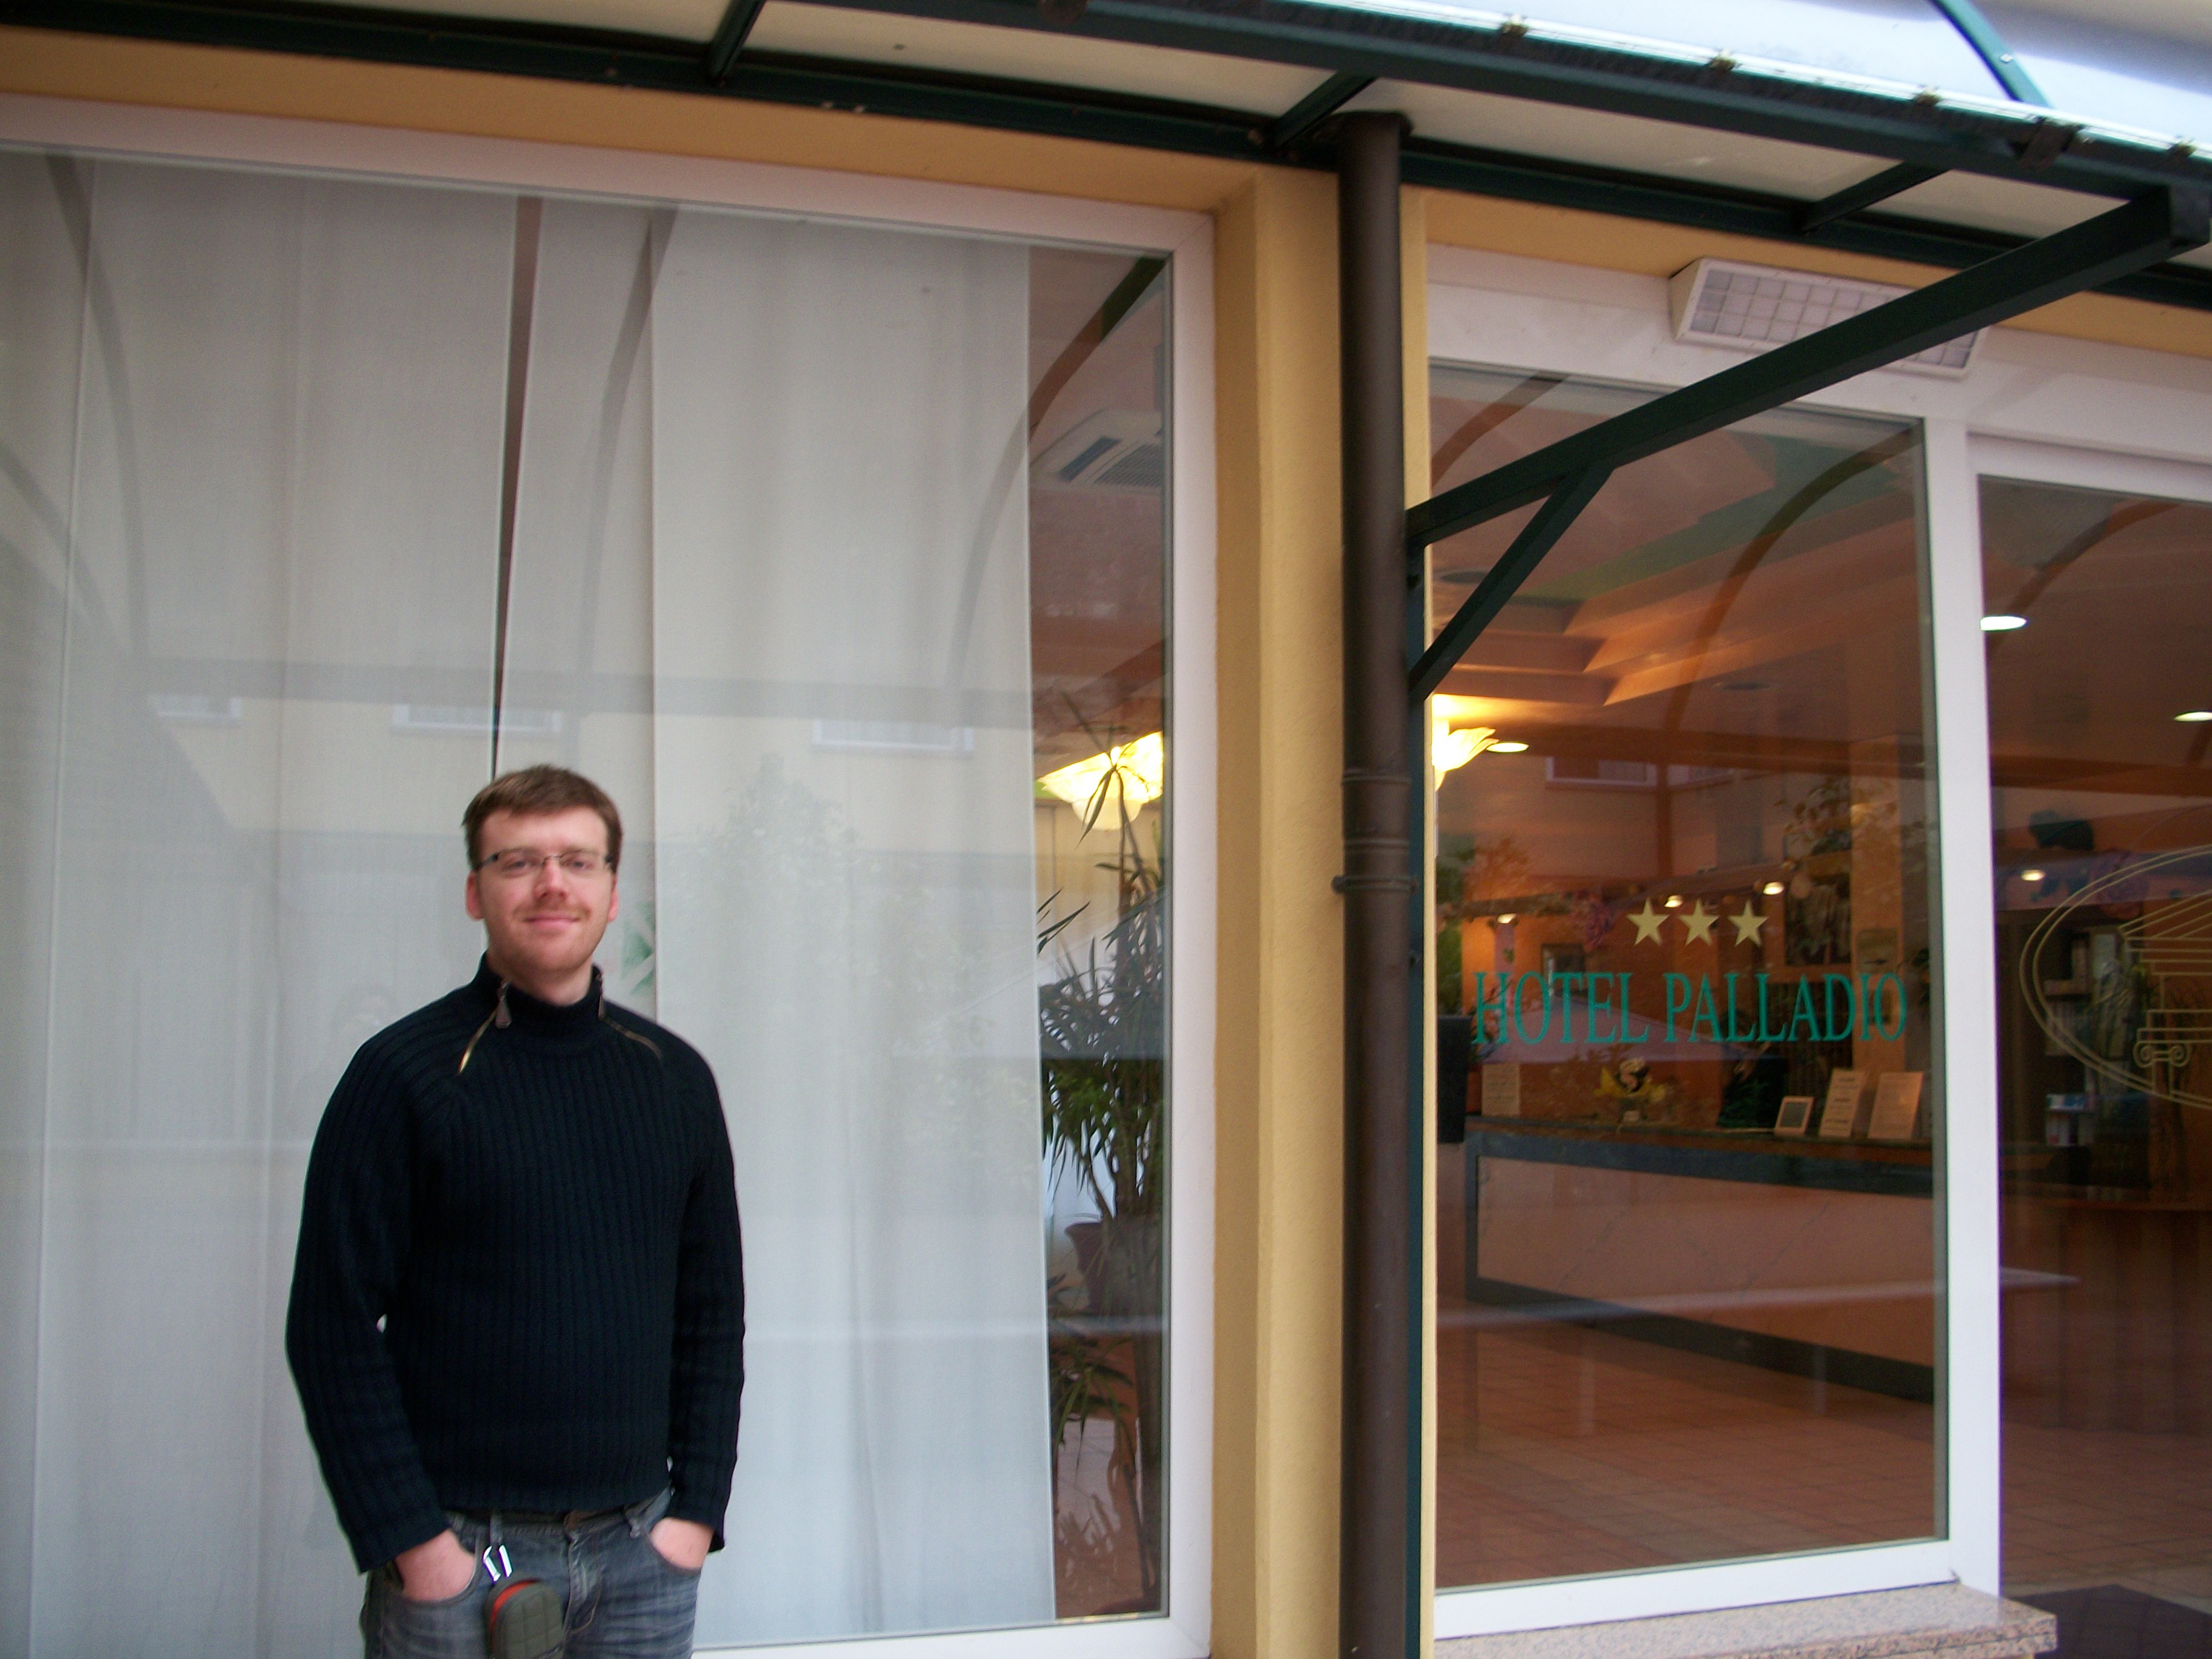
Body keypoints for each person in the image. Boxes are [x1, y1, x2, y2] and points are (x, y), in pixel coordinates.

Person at [287, 765, 744, 1659]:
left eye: (578, 860)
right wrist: (415, 1544)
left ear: (612, 893)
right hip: (460, 1557)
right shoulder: (404, 1078)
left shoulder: (674, 1080)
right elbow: (331, 1326)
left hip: (643, 1557)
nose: (552, 884)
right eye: (519, 861)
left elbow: (712, 1315)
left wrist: (695, 1514)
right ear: (475, 892)